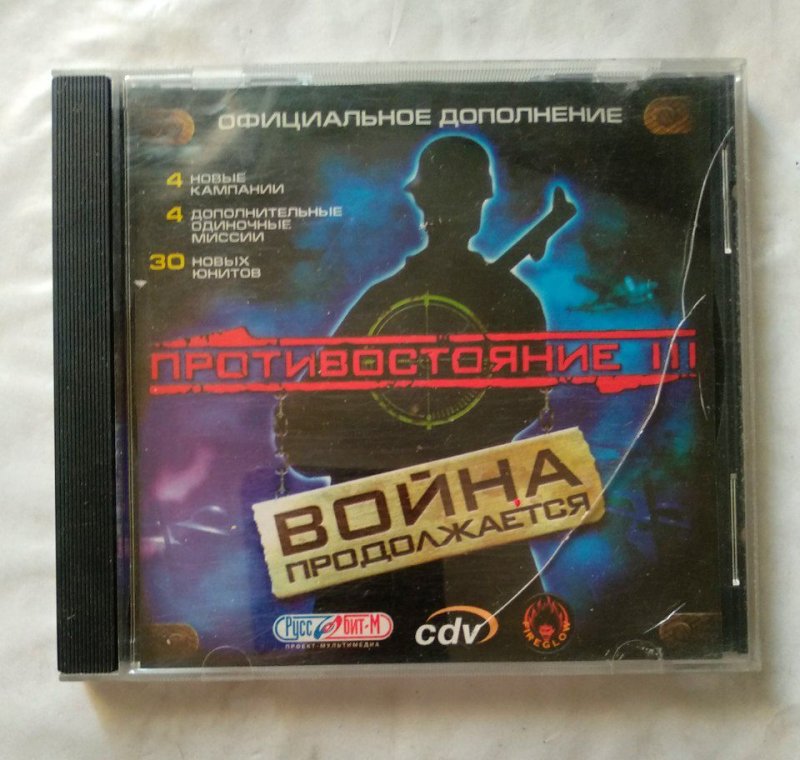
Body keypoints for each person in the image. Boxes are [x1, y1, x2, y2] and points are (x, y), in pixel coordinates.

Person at [282, 135, 576, 660]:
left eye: (449, 195)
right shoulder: (402, 302)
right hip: (390, 542)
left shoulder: (478, 301)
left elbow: (520, 405)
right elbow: (307, 423)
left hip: (452, 533)